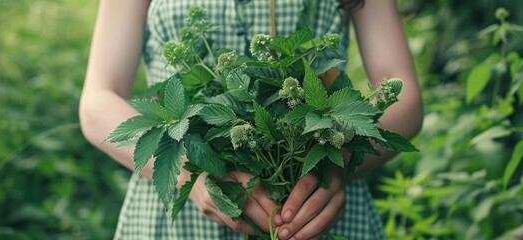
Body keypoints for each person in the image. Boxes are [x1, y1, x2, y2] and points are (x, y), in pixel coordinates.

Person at [79, 0, 423, 239]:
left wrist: (337, 164)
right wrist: (190, 174)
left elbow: (403, 96)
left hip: (311, 209)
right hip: (180, 216)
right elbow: (98, 101)